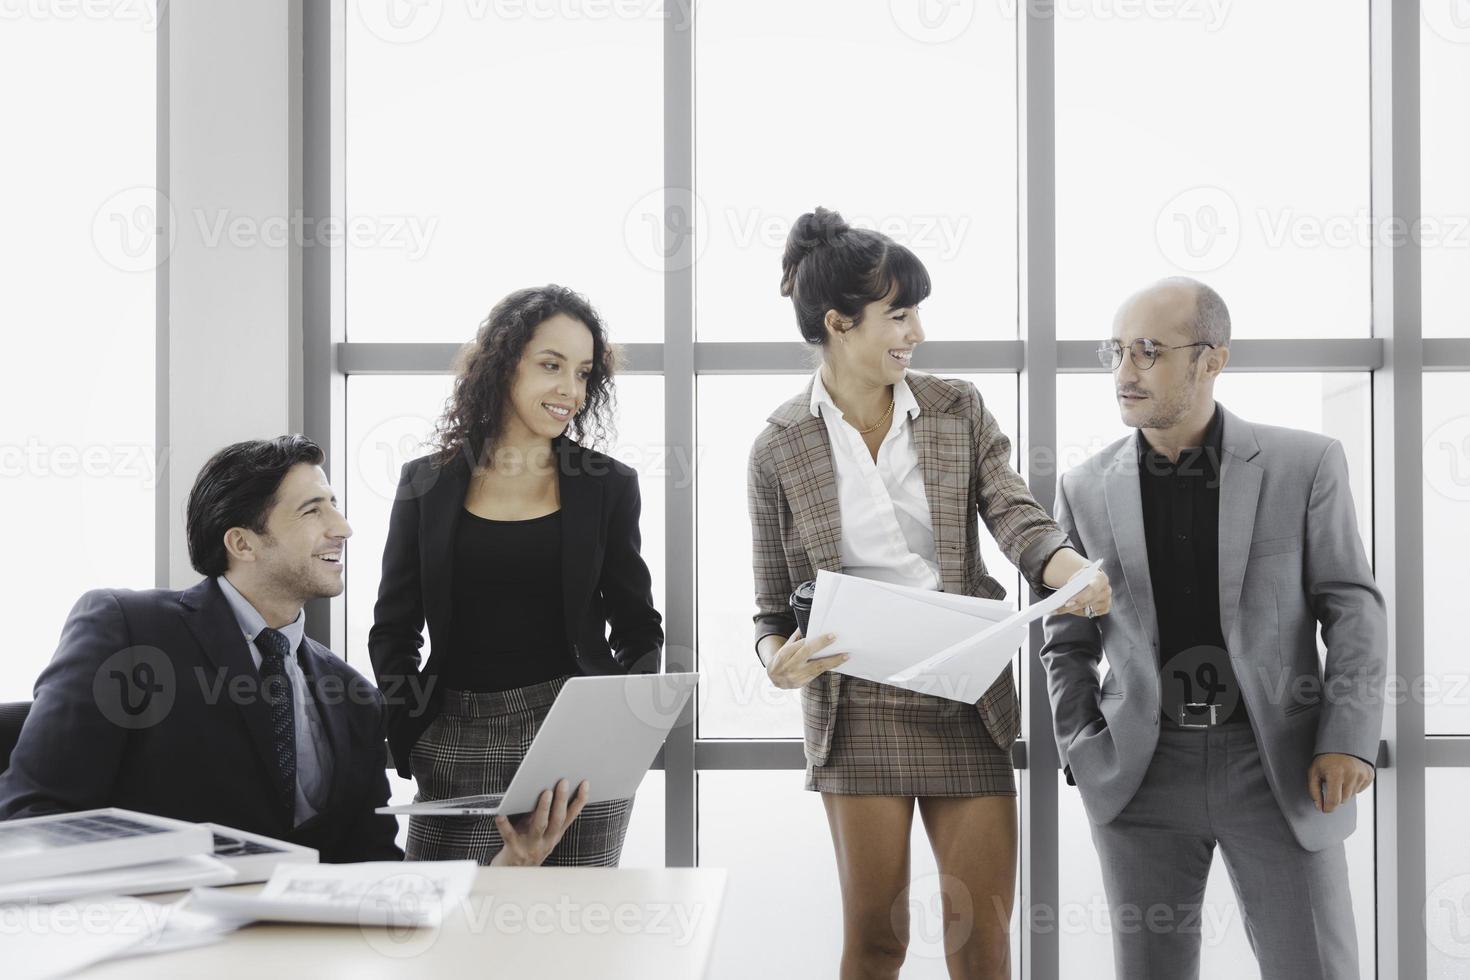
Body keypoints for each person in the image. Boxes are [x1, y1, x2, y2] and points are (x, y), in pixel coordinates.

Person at [748, 207, 1111, 979]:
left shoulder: (956, 409)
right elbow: (771, 608)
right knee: (877, 943)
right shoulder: (779, 446)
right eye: (900, 314)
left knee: (979, 941)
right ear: (840, 323)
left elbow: (1017, 517)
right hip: (855, 706)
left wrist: (1068, 570)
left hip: (965, 695)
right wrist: (777, 659)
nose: (916, 332)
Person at [1040, 277, 1385, 979]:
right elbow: (1064, 638)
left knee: (1316, 967)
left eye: (1147, 352)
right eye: (1115, 352)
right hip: (1141, 770)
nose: (1124, 373)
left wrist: (1347, 738)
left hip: (1279, 764)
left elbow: (1352, 607)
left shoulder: (1304, 464)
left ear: (1211, 360)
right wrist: (1080, 743)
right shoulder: (1083, 486)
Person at [370, 284, 663, 867]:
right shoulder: (426, 482)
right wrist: (413, 733)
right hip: (457, 737)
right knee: (448, 935)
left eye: (583, 374)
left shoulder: (607, 484)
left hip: (576, 740)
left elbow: (638, 626)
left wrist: (619, 733)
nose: (570, 391)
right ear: (503, 364)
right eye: (551, 366)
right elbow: (393, 629)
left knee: (571, 933)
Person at [0, 436, 399, 861]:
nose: (342, 527)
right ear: (242, 543)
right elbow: (34, 815)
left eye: (334, 505)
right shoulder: (129, 630)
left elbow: (373, 859)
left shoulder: (355, 697)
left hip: (309, 925)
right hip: (159, 917)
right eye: (312, 510)